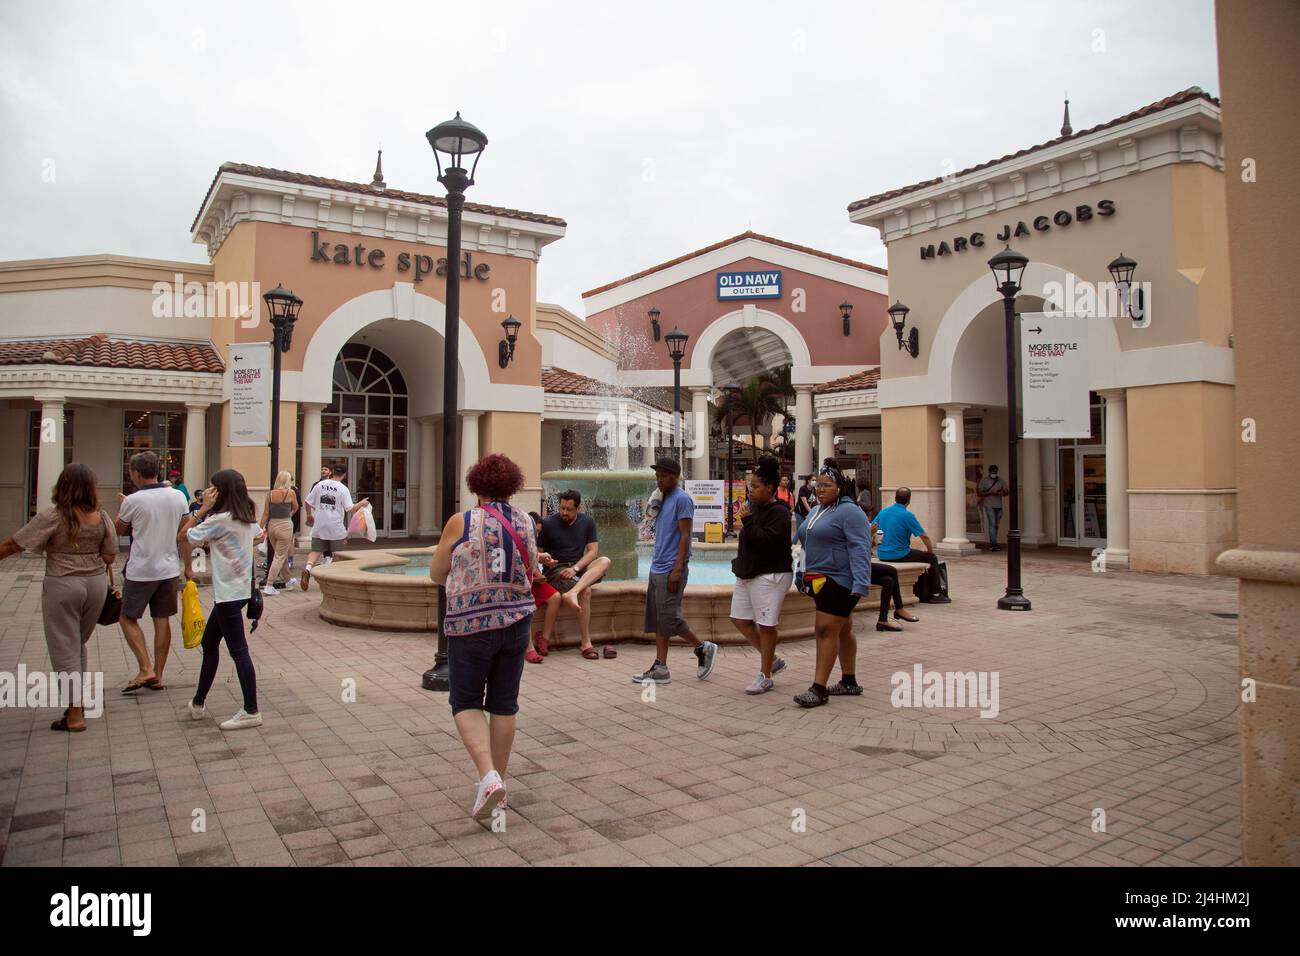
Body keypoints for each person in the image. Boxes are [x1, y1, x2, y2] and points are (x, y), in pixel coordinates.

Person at [430, 453, 538, 821]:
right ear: (512, 485)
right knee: (505, 704)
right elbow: (533, 568)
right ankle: (499, 787)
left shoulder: (460, 522)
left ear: (476, 485)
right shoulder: (525, 521)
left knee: (465, 701)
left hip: (470, 627)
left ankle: (488, 777)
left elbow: (436, 572)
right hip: (516, 623)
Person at [0, 464, 118, 732]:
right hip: (96, 584)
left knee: (64, 646)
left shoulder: (54, 516)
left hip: (63, 583)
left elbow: (14, 544)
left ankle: (74, 715)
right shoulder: (100, 516)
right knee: (77, 644)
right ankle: (78, 702)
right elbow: (110, 554)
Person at [182, 469, 262, 730]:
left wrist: (202, 509)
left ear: (221, 492)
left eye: (212, 488)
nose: (208, 492)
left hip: (228, 595)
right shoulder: (246, 517)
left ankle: (251, 710)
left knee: (239, 652)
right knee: (209, 643)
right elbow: (260, 536)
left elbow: (183, 535)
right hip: (239, 592)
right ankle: (197, 702)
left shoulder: (221, 520)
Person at [792, 460, 873, 708]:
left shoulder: (850, 511)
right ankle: (849, 681)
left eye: (827, 485)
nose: (820, 489)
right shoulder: (818, 510)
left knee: (825, 630)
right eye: (818, 485)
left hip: (840, 580)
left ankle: (818, 689)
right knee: (844, 628)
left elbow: (860, 548)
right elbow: (804, 542)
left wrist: (861, 583)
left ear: (840, 487)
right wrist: (800, 572)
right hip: (819, 578)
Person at [632, 457, 719, 685]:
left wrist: (677, 569)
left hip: (671, 568)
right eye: (657, 475)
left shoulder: (682, 499)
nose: (659, 479)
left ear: (675, 476)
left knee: (670, 618)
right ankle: (660, 667)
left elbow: (685, 535)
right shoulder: (662, 498)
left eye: (663, 475)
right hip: (657, 566)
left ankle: (702, 647)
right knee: (660, 619)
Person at [114, 450, 190, 693]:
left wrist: (124, 506)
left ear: (136, 473)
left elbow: (117, 529)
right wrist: (188, 566)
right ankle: (157, 673)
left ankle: (145, 667)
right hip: (168, 568)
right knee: (162, 619)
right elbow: (184, 533)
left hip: (141, 569)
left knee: (127, 617)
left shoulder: (133, 501)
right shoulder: (177, 497)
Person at [730, 455, 793, 694]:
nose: (751, 490)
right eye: (750, 486)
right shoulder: (753, 508)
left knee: (767, 625)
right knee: (739, 619)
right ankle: (773, 660)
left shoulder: (780, 512)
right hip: (748, 573)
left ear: (770, 487)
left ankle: (765, 675)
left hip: (771, 574)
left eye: (756, 486)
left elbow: (766, 542)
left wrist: (747, 522)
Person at [538, 490, 613, 660]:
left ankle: (573, 591)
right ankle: (586, 643)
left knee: (605, 560)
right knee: (585, 592)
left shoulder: (587, 522)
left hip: (578, 569)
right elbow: (538, 554)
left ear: (578, 508)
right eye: (562, 508)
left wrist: (577, 568)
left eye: (569, 509)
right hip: (557, 571)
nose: (564, 512)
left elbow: (593, 551)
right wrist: (546, 561)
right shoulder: (548, 523)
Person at [874, 487, 951, 604]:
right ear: (908, 501)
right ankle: (936, 594)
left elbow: (871, 528)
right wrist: (930, 550)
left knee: (917, 553)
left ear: (895, 498)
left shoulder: (883, 512)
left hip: (882, 554)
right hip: (899, 554)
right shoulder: (907, 515)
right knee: (932, 559)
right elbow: (924, 536)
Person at [299, 463, 368, 591]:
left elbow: (308, 502)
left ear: (332, 472)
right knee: (338, 554)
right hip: (335, 526)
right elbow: (350, 509)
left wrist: (309, 515)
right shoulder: (343, 489)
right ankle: (333, 580)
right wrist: (361, 503)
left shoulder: (320, 485)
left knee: (315, 551)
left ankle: (307, 569)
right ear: (344, 475)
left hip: (319, 525)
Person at [868, 517, 920, 633]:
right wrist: (869, 534)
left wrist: (873, 542)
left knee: (888, 580)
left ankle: (882, 620)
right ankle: (899, 608)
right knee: (891, 570)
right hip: (853, 567)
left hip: (863, 564)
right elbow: (855, 548)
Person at [525, 511, 560, 664]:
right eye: (535, 530)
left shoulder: (534, 542)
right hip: (522, 584)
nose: (537, 534)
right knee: (525, 605)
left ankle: (544, 638)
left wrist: (547, 565)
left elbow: (535, 566)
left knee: (555, 597)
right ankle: (529, 648)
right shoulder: (520, 537)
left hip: (533, 582)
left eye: (539, 531)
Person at [259, 471, 300, 595]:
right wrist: (290, 514)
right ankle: (269, 585)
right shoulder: (291, 493)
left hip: (272, 525)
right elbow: (296, 507)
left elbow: (266, 513)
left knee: (281, 554)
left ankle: (288, 581)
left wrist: (260, 528)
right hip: (285, 525)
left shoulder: (270, 494)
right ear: (288, 481)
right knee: (279, 557)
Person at [976, 465, 1008, 552]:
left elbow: (1006, 491)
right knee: (992, 523)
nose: (994, 474)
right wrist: (989, 493)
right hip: (989, 505)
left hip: (999, 505)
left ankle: (994, 542)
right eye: (993, 472)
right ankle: (993, 544)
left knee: (996, 525)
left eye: (995, 472)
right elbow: (979, 493)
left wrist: (1001, 492)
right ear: (989, 472)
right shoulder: (984, 481)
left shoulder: (1000, 480)